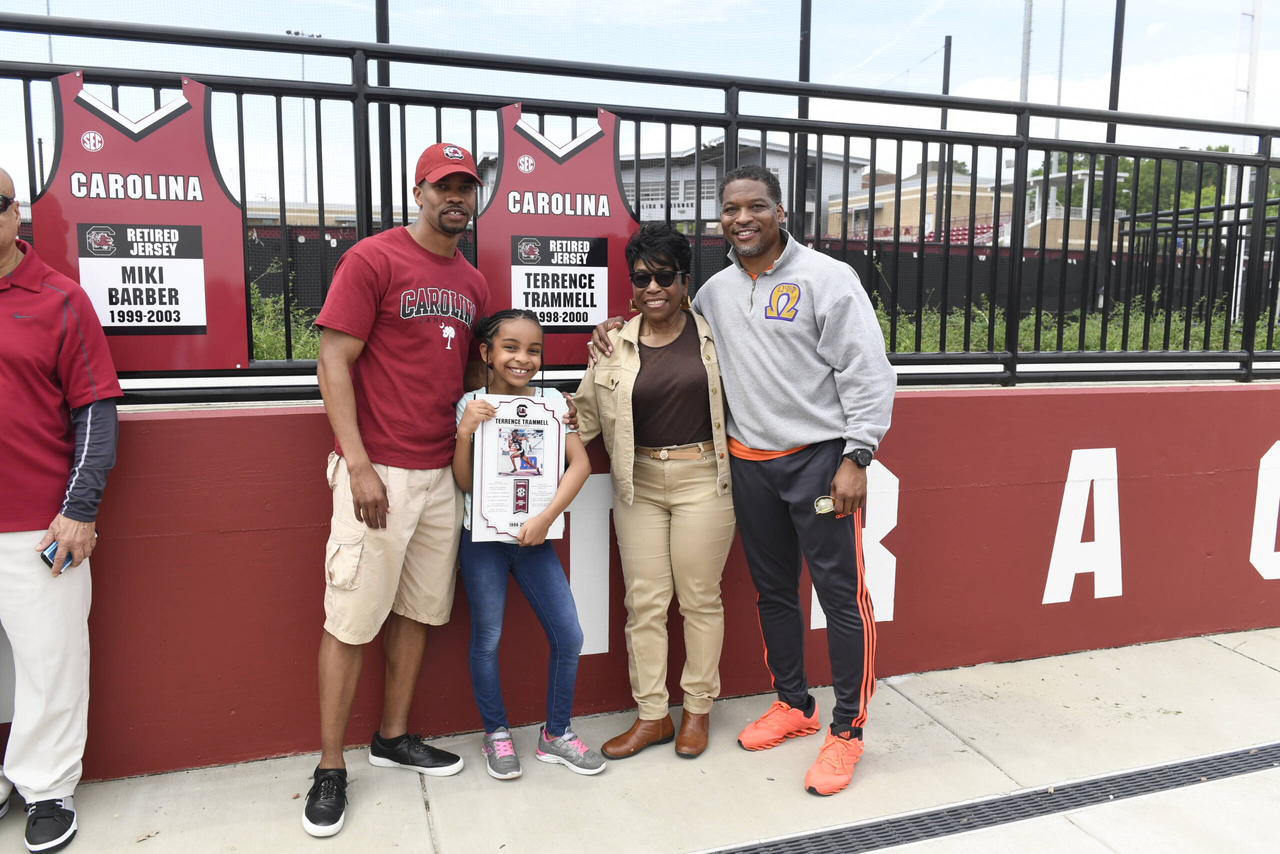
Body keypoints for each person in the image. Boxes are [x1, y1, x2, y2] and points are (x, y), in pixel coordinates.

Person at [591, 165, 895, 795]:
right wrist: (614, 329)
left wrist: (858, 454)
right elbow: (666, 326)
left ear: (781, 212)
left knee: (841, 597)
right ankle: (794, 704)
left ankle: (847, 731)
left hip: (818, 459)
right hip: (747, 463)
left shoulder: (828, 278)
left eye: (756, 206)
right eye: (731, 209)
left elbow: (867, 370)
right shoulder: (715, 293)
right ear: (721, 220)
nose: (742, 218)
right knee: (774, 594)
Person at [304, 143, 490, 837]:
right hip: (378, 471)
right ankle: (330, 766)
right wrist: (357, 465)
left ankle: (393, 736)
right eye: (444, 186)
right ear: (419, 192)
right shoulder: (373, 259)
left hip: (442, 473)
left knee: (418, 612)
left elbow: (473, 374)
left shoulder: (472, 282)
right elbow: (333, 360)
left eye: (466, 187)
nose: (456, 197)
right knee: (351, 619)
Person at [573, 223, 735, 760]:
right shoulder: (612, 345)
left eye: (665, 276)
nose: (653, 287)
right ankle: (652, 717)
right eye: (642, 278)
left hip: (704, 478)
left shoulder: (715, 335)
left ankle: (697, 711)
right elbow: (584, 418)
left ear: (685, 281)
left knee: (699, 599)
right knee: (644, 604)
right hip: (637, 482)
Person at [0, 165, 123, 852]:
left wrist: (79, 508)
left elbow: (96, 411)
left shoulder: (60, 298)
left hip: (36, 524)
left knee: (51, 663)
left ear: (16, 212)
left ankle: (47, 787)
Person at [452, 310, 604, 780]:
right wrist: (465, 431)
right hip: (483, 540)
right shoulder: (471, 404)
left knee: (569, 635)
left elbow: (580, 464)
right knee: (487, 638)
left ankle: (556, 734)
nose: (522, 358)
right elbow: (465, 482)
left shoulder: (553, 403)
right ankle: (495, 732)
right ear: (487, 353)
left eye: (533, 350)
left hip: (535, 538)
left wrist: (545, 518)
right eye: (510, 347)